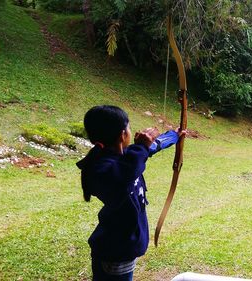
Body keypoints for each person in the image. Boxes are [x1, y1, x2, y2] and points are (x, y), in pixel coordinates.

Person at [76, 105, 182, 280]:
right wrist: (141, 147)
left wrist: (174, 135)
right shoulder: (103, 167)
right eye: (129, 127)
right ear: (122, 135)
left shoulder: (119, 156)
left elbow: (149, 149)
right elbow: (126, 170)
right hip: (115, 252)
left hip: (119, 247)